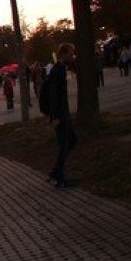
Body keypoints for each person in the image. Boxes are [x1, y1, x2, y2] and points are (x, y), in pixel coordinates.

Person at [41, 44, 78, 189]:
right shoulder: (58, 70)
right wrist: (55, 116)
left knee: (72, 141)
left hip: (63, 113)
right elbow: (54, 95)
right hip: (60, 114)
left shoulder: (59, 69)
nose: (72, 56)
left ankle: (56, 172)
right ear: (63, 54)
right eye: (70, 54)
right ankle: (59, 178)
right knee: (65, 144)